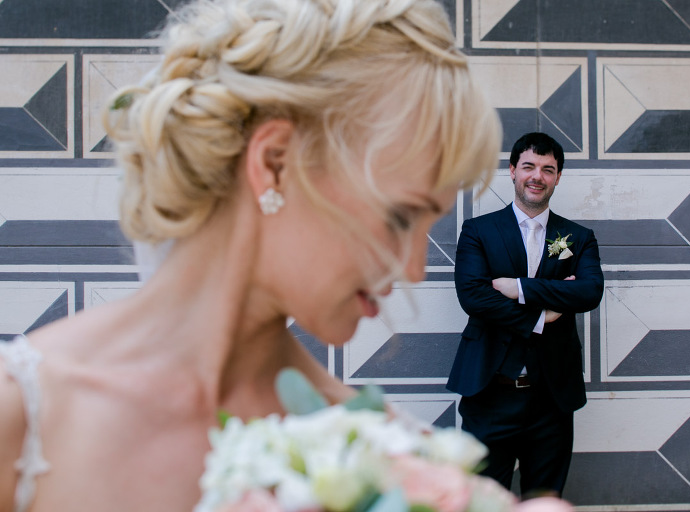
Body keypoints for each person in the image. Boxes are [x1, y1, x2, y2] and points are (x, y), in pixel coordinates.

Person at [0, 0, 502, 510]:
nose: (413, 268)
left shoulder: (391, 459)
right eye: (399, 218)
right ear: (276, 163)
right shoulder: (22, 416)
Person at [447, 132, 604, 498]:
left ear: (558, 177)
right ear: (513, 170)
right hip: (489, 394)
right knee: (481, 502)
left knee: (544, 501)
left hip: (551, 400)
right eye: (529, 166)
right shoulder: (478, 231)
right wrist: (541, 317)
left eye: (548, 169)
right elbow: (474, 296)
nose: (538, 176)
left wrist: (518, 288)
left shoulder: (578, 238)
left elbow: (589, 291)